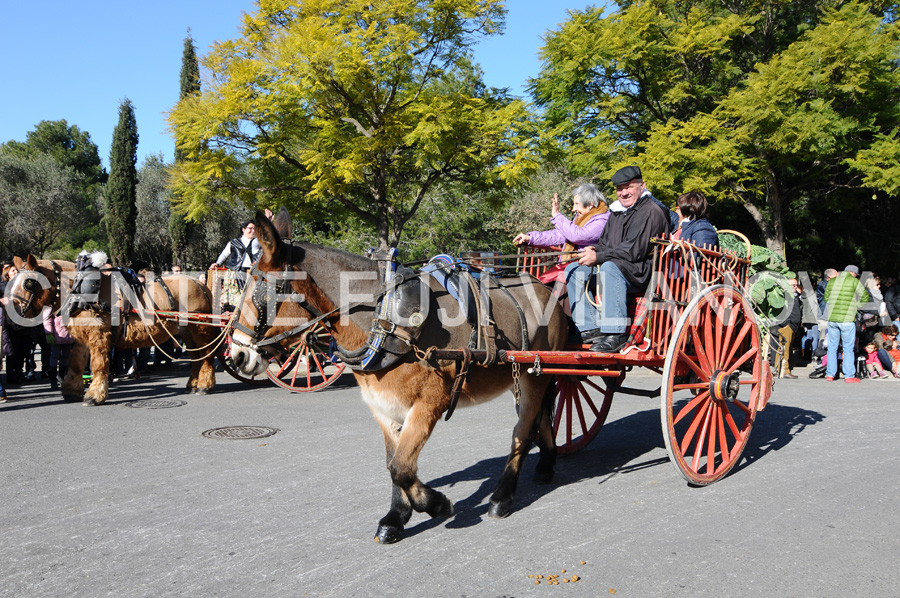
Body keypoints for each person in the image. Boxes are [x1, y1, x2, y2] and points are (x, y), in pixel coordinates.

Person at [567, 165, 670, 352]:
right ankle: (590, 328)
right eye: (619, 189)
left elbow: (633, 251)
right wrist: (594, 249)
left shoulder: (651, 211)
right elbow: (607, 244)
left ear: (641, 186)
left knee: (609, 268)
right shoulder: (617, 213)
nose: (623, 193)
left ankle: (616, 334)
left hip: (641, 272)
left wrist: (598, 256)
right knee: (574, 270)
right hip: (618, 266)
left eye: (628, 187)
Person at [513, 184, 610, 285]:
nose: (573, 209)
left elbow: (577, 236)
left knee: (551, 285)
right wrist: (530, 238)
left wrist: (557, 216)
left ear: (590, 205)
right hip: (572, 266)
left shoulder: (603, 219)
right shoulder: (581, 217)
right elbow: (559, 235)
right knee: (543, 282)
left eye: (577, 204)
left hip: (590, 270)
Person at [823, 265, 869, 383]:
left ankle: (830, 374)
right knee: (848, 348)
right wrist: (856, 306)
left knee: (832, 347)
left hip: (833, 318)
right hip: (847, 320)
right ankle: (849, 375)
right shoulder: (854, 282)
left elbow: (826, 298)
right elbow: (865, 297)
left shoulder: (832, 281)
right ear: (853, 273)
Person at [772, 278, 802, 378]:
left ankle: (780, 369)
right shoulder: (784, 296)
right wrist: (786, 324)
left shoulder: (793, 296)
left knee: (785, 348)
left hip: (792, 325)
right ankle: (784, 371)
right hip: (787, 325)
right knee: (784, 349)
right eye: (793, 285)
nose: (795, 287)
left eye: (796, 285)